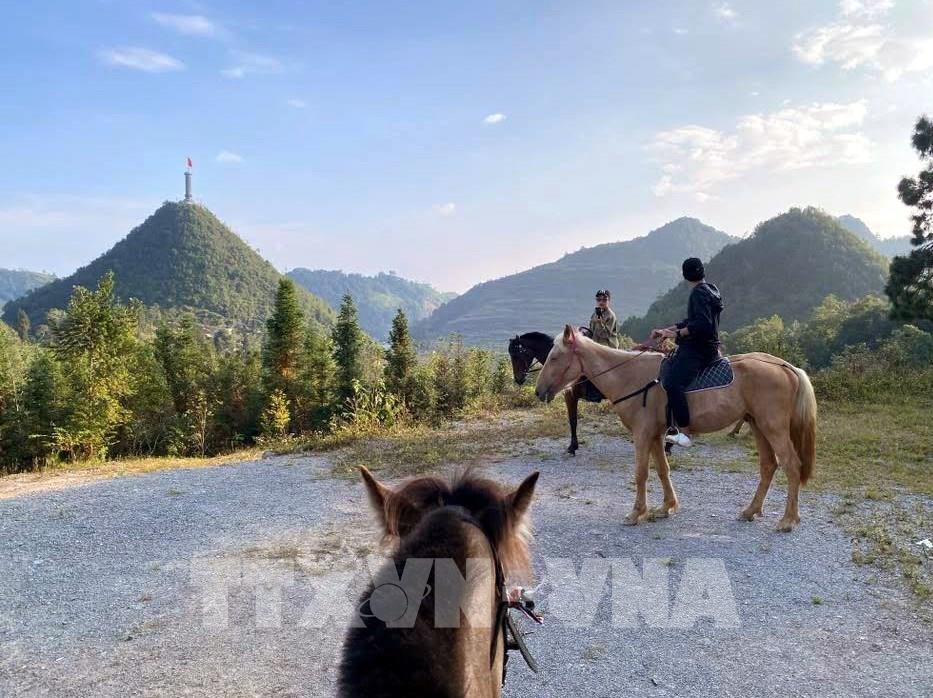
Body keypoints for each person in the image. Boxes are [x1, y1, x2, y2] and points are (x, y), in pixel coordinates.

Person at [651, 258, 723, 448]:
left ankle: (684, 432)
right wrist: (666, 330)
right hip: (710, 346)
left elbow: (702, 324)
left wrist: (676, 334)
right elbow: (691, 321)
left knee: (672, 383)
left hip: (699, 350)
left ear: (685, 276)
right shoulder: (711, 289)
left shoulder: (697, 293)